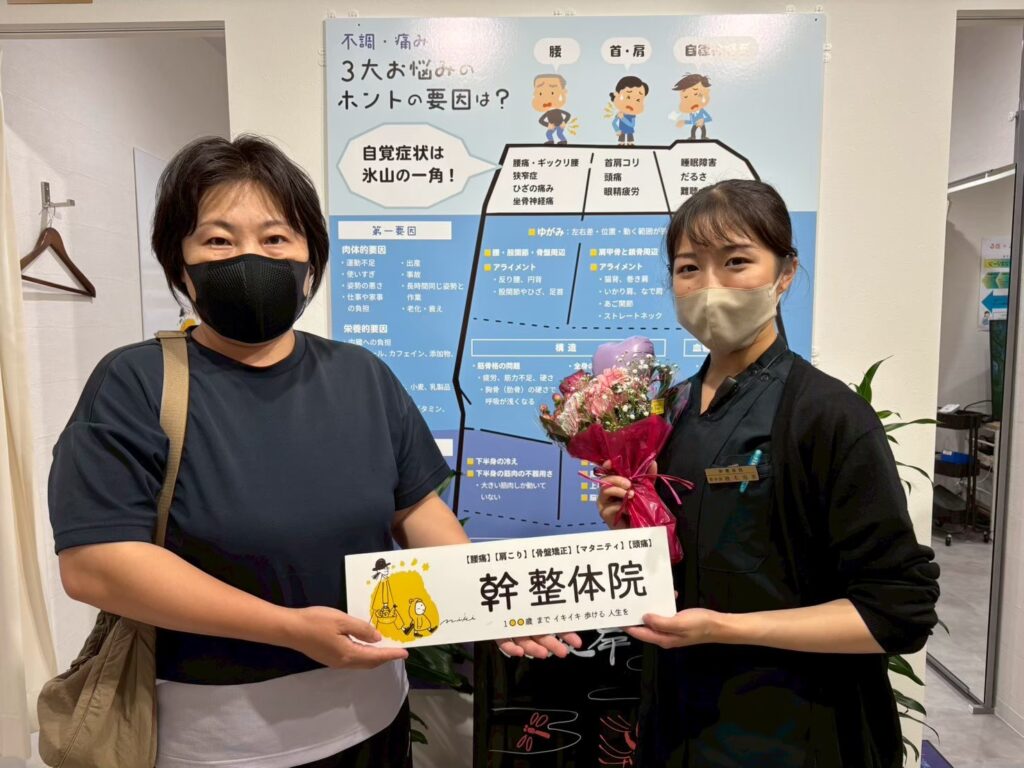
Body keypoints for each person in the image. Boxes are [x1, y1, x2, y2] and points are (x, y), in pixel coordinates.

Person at [48, 134, 579, 768]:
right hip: (217, 745)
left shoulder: (360, 374)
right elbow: (97, 564)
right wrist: (287, 628)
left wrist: (496, 603)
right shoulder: (136, 381)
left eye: (276, 238)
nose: (251, 258)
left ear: (309, 263)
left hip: (373, 721)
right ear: (180, 267)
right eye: (218, 240)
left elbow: (416, 511)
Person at [596, 179, 940, 767]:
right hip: (677, 724)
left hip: (795, 732)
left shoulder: (826, 414)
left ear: (785, 273)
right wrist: (631, 525)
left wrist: (726, 629)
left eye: (736, 262)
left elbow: (896, 613)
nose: (710, 287)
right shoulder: (668, 411)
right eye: (688, 268)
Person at [533, 73, 572, 144]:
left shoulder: (557, 110)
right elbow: (540, 120)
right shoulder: (547, 112)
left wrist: (564, 122)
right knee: (548, 133)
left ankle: (564, 141)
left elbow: (568, 115)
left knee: (559, 133)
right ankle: (551, 141)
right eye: (540, 94)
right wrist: (548, 124)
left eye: (552, 93)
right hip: (553, 125)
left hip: (560, 124)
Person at [609, 75, 649, 146]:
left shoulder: (632, 116)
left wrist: (622, 118)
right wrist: (617, 130)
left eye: (638, 100)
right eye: (628, 97)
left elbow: (632, 125)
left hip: (630, 132)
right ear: (616, 95)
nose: (632, 103)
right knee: (621, 143)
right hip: (621, 132)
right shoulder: (619, 114)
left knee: (630, 142)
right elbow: (614, 123)